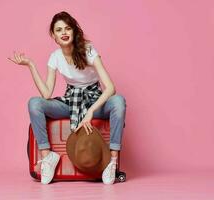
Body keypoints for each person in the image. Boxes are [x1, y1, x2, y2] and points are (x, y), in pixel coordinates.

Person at [8, 11, 126, 185]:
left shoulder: (89, 50)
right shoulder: (55, 57)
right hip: (71, 101)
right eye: (59, 30)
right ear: (54, 36)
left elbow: (110, 88)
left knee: (118, 101)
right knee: (34, 103)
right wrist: (31, 65)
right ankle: (47, 156)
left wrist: (91, 111)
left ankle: (112, 162)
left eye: (67, 28)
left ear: (73, 31)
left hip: (94, 99)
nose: (64, 32)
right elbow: (46, 94)